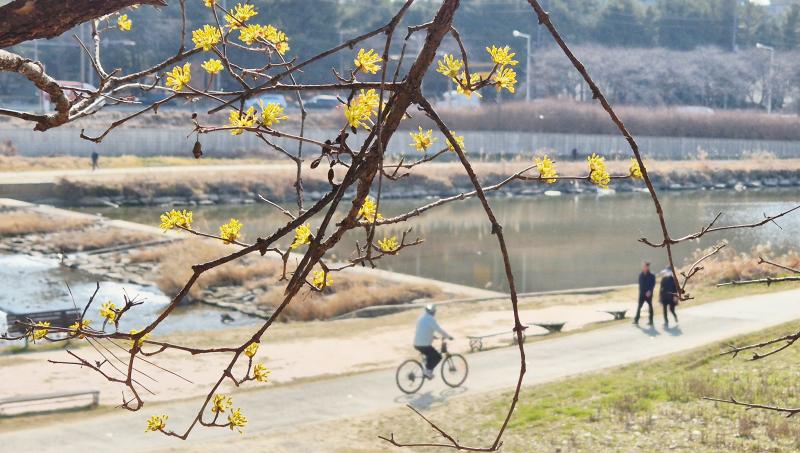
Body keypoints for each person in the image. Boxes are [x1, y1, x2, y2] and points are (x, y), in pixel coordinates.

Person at [413, 304, 453, 379]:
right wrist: (448, 336)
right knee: (438, 357)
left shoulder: (421, 318)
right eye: (435, 311)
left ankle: (427, 370)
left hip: (416, 343)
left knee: (430, 354)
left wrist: (433, 337)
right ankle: (428, 372)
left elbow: (423, 330)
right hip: (424, 345)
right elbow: (439, 330)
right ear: (433, 311)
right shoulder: (431, 319)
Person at [634, 261, 656, 326]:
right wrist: (640, 293)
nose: (643, 267)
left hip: (649, 294)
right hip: (642, 294)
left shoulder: (652, 275)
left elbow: (653, 284)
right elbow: (640, 285)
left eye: (645, 266)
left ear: (647, 267)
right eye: (643, 266)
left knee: (650, 307)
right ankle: (636, 320)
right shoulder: (640, 275)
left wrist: (649, 291)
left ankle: (651, 321)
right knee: (639, 307)